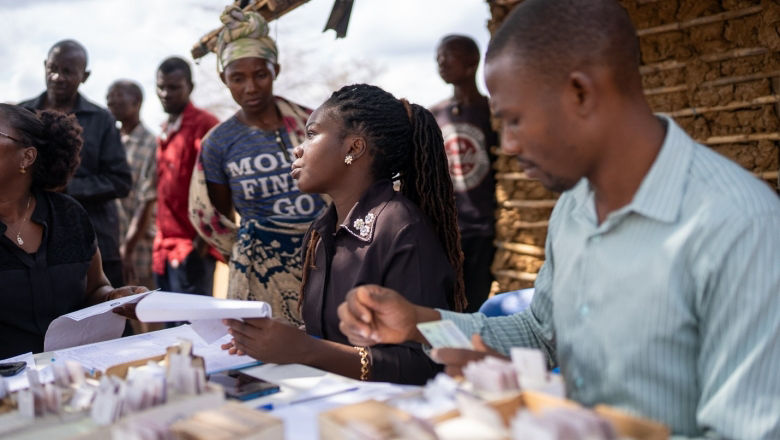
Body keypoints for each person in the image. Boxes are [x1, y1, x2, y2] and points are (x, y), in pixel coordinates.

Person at [337, 0, 780, 437]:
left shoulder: (740, 228)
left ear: (580, 92)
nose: (507, 145)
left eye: (513, 120)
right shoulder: (574, 206)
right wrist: (418, 322)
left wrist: (581, 426)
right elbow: (540, 331)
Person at [222, 84, 466, 384]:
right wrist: (271, 342)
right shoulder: (322, 230)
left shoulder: (402, 229)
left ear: (353, 148)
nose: (298, 148)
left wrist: (305, 349)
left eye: (311, 134)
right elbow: (330, 338)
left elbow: (425, 364)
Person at [196, 6, 326, 325]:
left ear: (276, 70)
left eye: (260, 74)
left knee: (327, 353)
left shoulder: (315, 123)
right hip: (260, 274)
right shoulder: (218, 143)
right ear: (223, 78)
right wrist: (249, 253)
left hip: (325, 262)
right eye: (237, 78)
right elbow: (217, 216)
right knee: (262, 362)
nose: (250, 88)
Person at [0, 104, 147, 358]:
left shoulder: (69, 216)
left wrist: (114, 297)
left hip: (74, 379)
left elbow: (95, 288)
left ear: (27, 157)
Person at [20, 39, 132, 288]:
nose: (57, 77)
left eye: (68, 71)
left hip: (94, 239)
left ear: (85, 76)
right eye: (52, 68)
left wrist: (67, 188)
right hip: (32, 239)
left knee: (108, 311)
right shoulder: (21, 115)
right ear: (44, 66)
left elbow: (120, 181)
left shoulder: (101, 119)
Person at [431, 34, 498, 312]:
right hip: (449, 229)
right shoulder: (435, 114)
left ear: (472, 63)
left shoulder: (491, 111)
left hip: (486, 228)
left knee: (476, 302)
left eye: (448, 55)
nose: (441, 62)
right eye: (438, 57)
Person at [153, 56, 220, 297]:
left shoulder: (205, 125)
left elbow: (218, 188)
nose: (165, 93)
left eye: (173, 87)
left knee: (195, 332)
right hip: (163, 249)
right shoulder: (164, 130)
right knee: (168, 331)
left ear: (189, 87)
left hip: (192, 250)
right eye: (161, 87)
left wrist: (201, 245)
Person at [107, 80, 157, 290]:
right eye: (109, 102)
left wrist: (127, 249)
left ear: (136, 102)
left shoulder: (151, 144)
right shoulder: (110, 141)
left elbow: (147, 201)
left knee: (148, 313)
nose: (111, 106)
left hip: (140, 248)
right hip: (112, 244)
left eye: (117, 101)